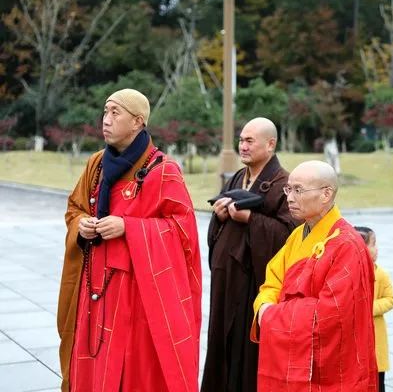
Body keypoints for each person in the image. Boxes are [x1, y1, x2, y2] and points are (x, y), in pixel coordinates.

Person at [57, 88, 202, 391]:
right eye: (105, 112)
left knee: (131, 368)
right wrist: (81, 224)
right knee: (91, 358)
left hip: (137, 294)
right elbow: (76, 207)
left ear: (137, 122)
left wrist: (129, 227)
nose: (105, 120)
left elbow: (182, 230)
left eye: (115, 113)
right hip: (94, 286)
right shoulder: (96, 164)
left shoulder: (164, 171)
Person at [251, 160, 378, 392]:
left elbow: (331, 316)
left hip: (330, 368)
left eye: (298, 190)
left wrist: (271, 314)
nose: (289, 197)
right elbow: (272, 282)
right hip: (294, 354)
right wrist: (264, 306)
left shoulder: (347, 245)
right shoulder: (298, 235)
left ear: (326, 194)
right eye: (288, 189)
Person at [202, 117, 297, 392]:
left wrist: (251, 219)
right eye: (241, 140)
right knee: (221, 341)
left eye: (249, 141)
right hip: (226, 280)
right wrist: (219, 216)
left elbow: (290, 233)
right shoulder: (237, 177)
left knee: (247, 348)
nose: (242, 146)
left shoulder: (283, 183)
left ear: (270, 144)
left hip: (252, 284)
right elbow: (220, 223)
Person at [355, 226, 393, 392]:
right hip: (355, 340)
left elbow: (391, 298)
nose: (376, 248)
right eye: (373, 244)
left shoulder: (381, 274)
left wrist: (367, 308)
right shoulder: (348, 273)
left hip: (375, 338)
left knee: (377, 382)